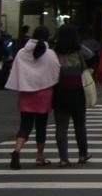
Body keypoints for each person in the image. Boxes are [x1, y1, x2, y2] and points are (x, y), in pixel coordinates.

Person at [6, 26, 62, 169]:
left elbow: (16, 70)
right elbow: (56, 72)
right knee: (41, 126)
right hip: (44, 94)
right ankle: (40, 156)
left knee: (25, 126)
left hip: (26, 93)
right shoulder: (50, 53)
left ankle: (17, 150)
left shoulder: (22, 52)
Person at [51, 24, 92, 166]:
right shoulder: (79, 50)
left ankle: (63, 158)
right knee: (79, 124)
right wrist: (78, 44)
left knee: (61, 126)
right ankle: (82, 154)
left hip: (59, 90)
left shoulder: (54, 51)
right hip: (76, 90)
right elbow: (90, 55)